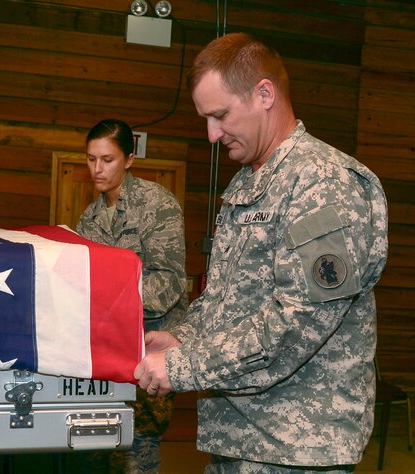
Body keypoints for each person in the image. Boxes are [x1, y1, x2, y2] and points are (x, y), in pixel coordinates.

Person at [134, 32, 388, 472]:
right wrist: (183, 336)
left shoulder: (323, 183)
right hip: (242, 439)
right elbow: (227, 300)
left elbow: (301, 320)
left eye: (220, 115)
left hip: (296, 448)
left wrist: (182, 366)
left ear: (264, 94)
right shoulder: (249, 182)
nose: (212, 135)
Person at [75, 118, 188, 473]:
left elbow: (168, 284)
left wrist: (110, 302)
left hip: (146, 349)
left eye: (107, 159)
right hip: (104, 352)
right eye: (91, 159)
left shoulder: (157, 205)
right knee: (95, 444)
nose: (97, 169)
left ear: (129, 159)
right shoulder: (90, 218)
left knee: (138, 447)